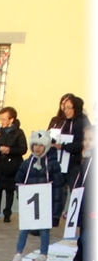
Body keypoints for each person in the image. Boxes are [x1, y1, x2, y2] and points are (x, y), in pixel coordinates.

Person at [12, 130, 60, 261]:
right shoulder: (27, 164)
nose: (38, 148)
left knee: (44, 229)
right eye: (35, 145)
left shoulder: (52, 164)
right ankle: (18, 253)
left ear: (46, 146)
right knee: (24, 228)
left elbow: (58, 187)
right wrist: (21, 194)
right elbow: (18, 180)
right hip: (29, 202)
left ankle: (43, 254)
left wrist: (56, 210)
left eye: (41, 145)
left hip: (45, 202)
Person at [48, 94, 89, 227]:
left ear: (76, 108)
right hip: (60, 161)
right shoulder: (62, 120)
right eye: (64, 107)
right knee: (58, 190)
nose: (66, 110)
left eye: (69, 108)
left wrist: (63, 146)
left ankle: (78, 219)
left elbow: (81, 143)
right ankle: (54, 217)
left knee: (76, 190)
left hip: (75, 162)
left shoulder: (82, 121)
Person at [64, 126, 93, 261]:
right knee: (84, 238)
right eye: (85, 139)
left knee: (88, 239)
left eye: (91, 139)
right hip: (84, 205)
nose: (87, 142)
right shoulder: (87, 159)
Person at [0, 106, 26, 223]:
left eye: (4, 119)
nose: (2, 122)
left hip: (12, 166)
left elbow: (23, 149)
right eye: (1, 119)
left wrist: (10, 150)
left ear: (11, 119)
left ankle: (7, 214)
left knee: (9, 191)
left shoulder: (18, 132)